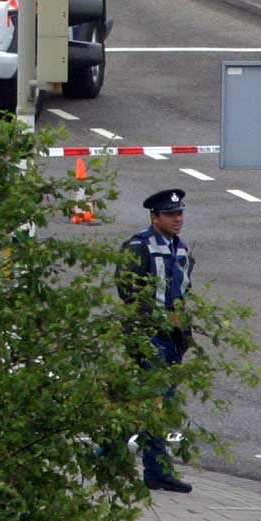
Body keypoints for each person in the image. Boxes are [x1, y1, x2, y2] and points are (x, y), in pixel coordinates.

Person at [115, 188, 195, 494]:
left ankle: (109, 453)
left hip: (172, 339)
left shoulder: (182, 249)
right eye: (171, 215)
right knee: (158, 403)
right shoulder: (139, 246)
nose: (178, 219)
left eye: (180, 214)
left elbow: (182, 292)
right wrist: (158, 318)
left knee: (152, 404)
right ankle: (156, 470)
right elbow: (128, 290)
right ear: (155, 217)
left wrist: (182, 327)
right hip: (147, 334)